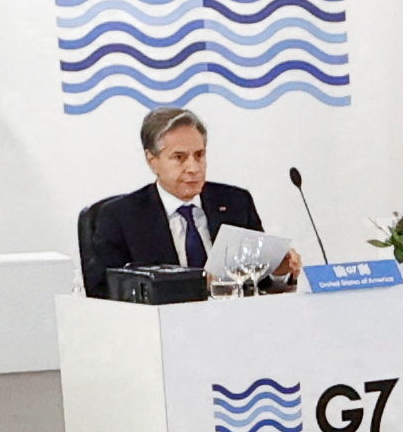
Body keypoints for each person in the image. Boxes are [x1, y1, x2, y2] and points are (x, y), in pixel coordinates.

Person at [76, 106, 294, 296]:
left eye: (199, 155)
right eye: (179, 157)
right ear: (152, 161)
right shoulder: (121, 216)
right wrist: (195, 284)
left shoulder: (236, 202)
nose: (193, 167)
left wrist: (280, 271)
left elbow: (258, 284)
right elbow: (103, 292)